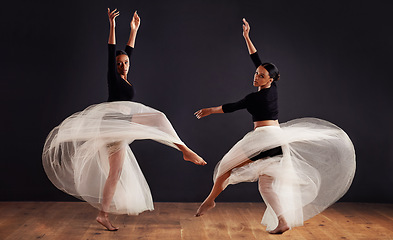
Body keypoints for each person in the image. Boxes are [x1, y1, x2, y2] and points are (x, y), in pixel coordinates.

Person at [42, 8, 206, 232]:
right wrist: (112, 26)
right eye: (119, 63)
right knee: (159, 118)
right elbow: (112, 50)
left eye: (126, 63)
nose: (122, 65)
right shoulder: (114, 77)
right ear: (114, 66)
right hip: (113, 123)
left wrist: (134, 30)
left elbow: (129, 51)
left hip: (122, 124)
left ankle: (103, 214)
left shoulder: (126, 75)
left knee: (115, 173)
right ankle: (185, 150)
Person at [194, 18, 355, 234]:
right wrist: (247, 37)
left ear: (270, 79)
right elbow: (256, 59)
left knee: (225, 168)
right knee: (265, 186)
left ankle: (210, 200)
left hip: (262, 139)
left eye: (261, 76)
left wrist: (209, 110)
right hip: (277, 140)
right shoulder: (273, 88)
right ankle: (283, 221)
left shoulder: (254, 98)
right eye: (256, 74)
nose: (256, 77)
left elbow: (232, 107)